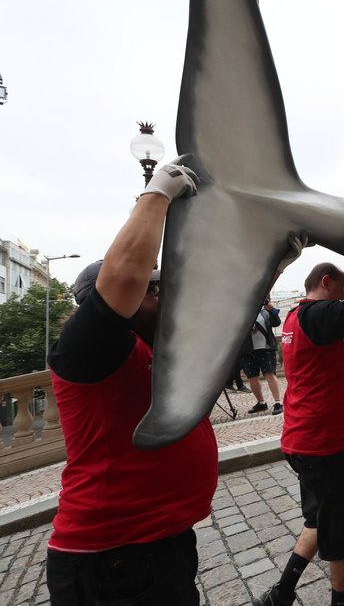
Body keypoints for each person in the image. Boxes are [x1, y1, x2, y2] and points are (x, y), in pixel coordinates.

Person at [46, 162, 218, 605]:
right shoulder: (87, 345)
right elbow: (123, 277)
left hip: (157, 546)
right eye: (150, 290)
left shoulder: (144, 347)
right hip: (112, 562)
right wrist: (157, 193)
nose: (159, 295)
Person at [255, 217, 344, 606]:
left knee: (317, 519)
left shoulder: (297, 318)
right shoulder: (318, 315)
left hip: (304, 441)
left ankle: (281, 593)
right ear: (326, 285)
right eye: (340, 290)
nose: (343, 300)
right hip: (330, 447)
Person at [241, 297, 284, 415]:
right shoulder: (241, 313)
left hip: (266, 348)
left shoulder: (265, 312)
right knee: (252, 377)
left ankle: (278, 402)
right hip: (248, 350)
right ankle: (261, 403)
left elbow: (276, 323)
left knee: (270, 374)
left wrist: (271, 310)